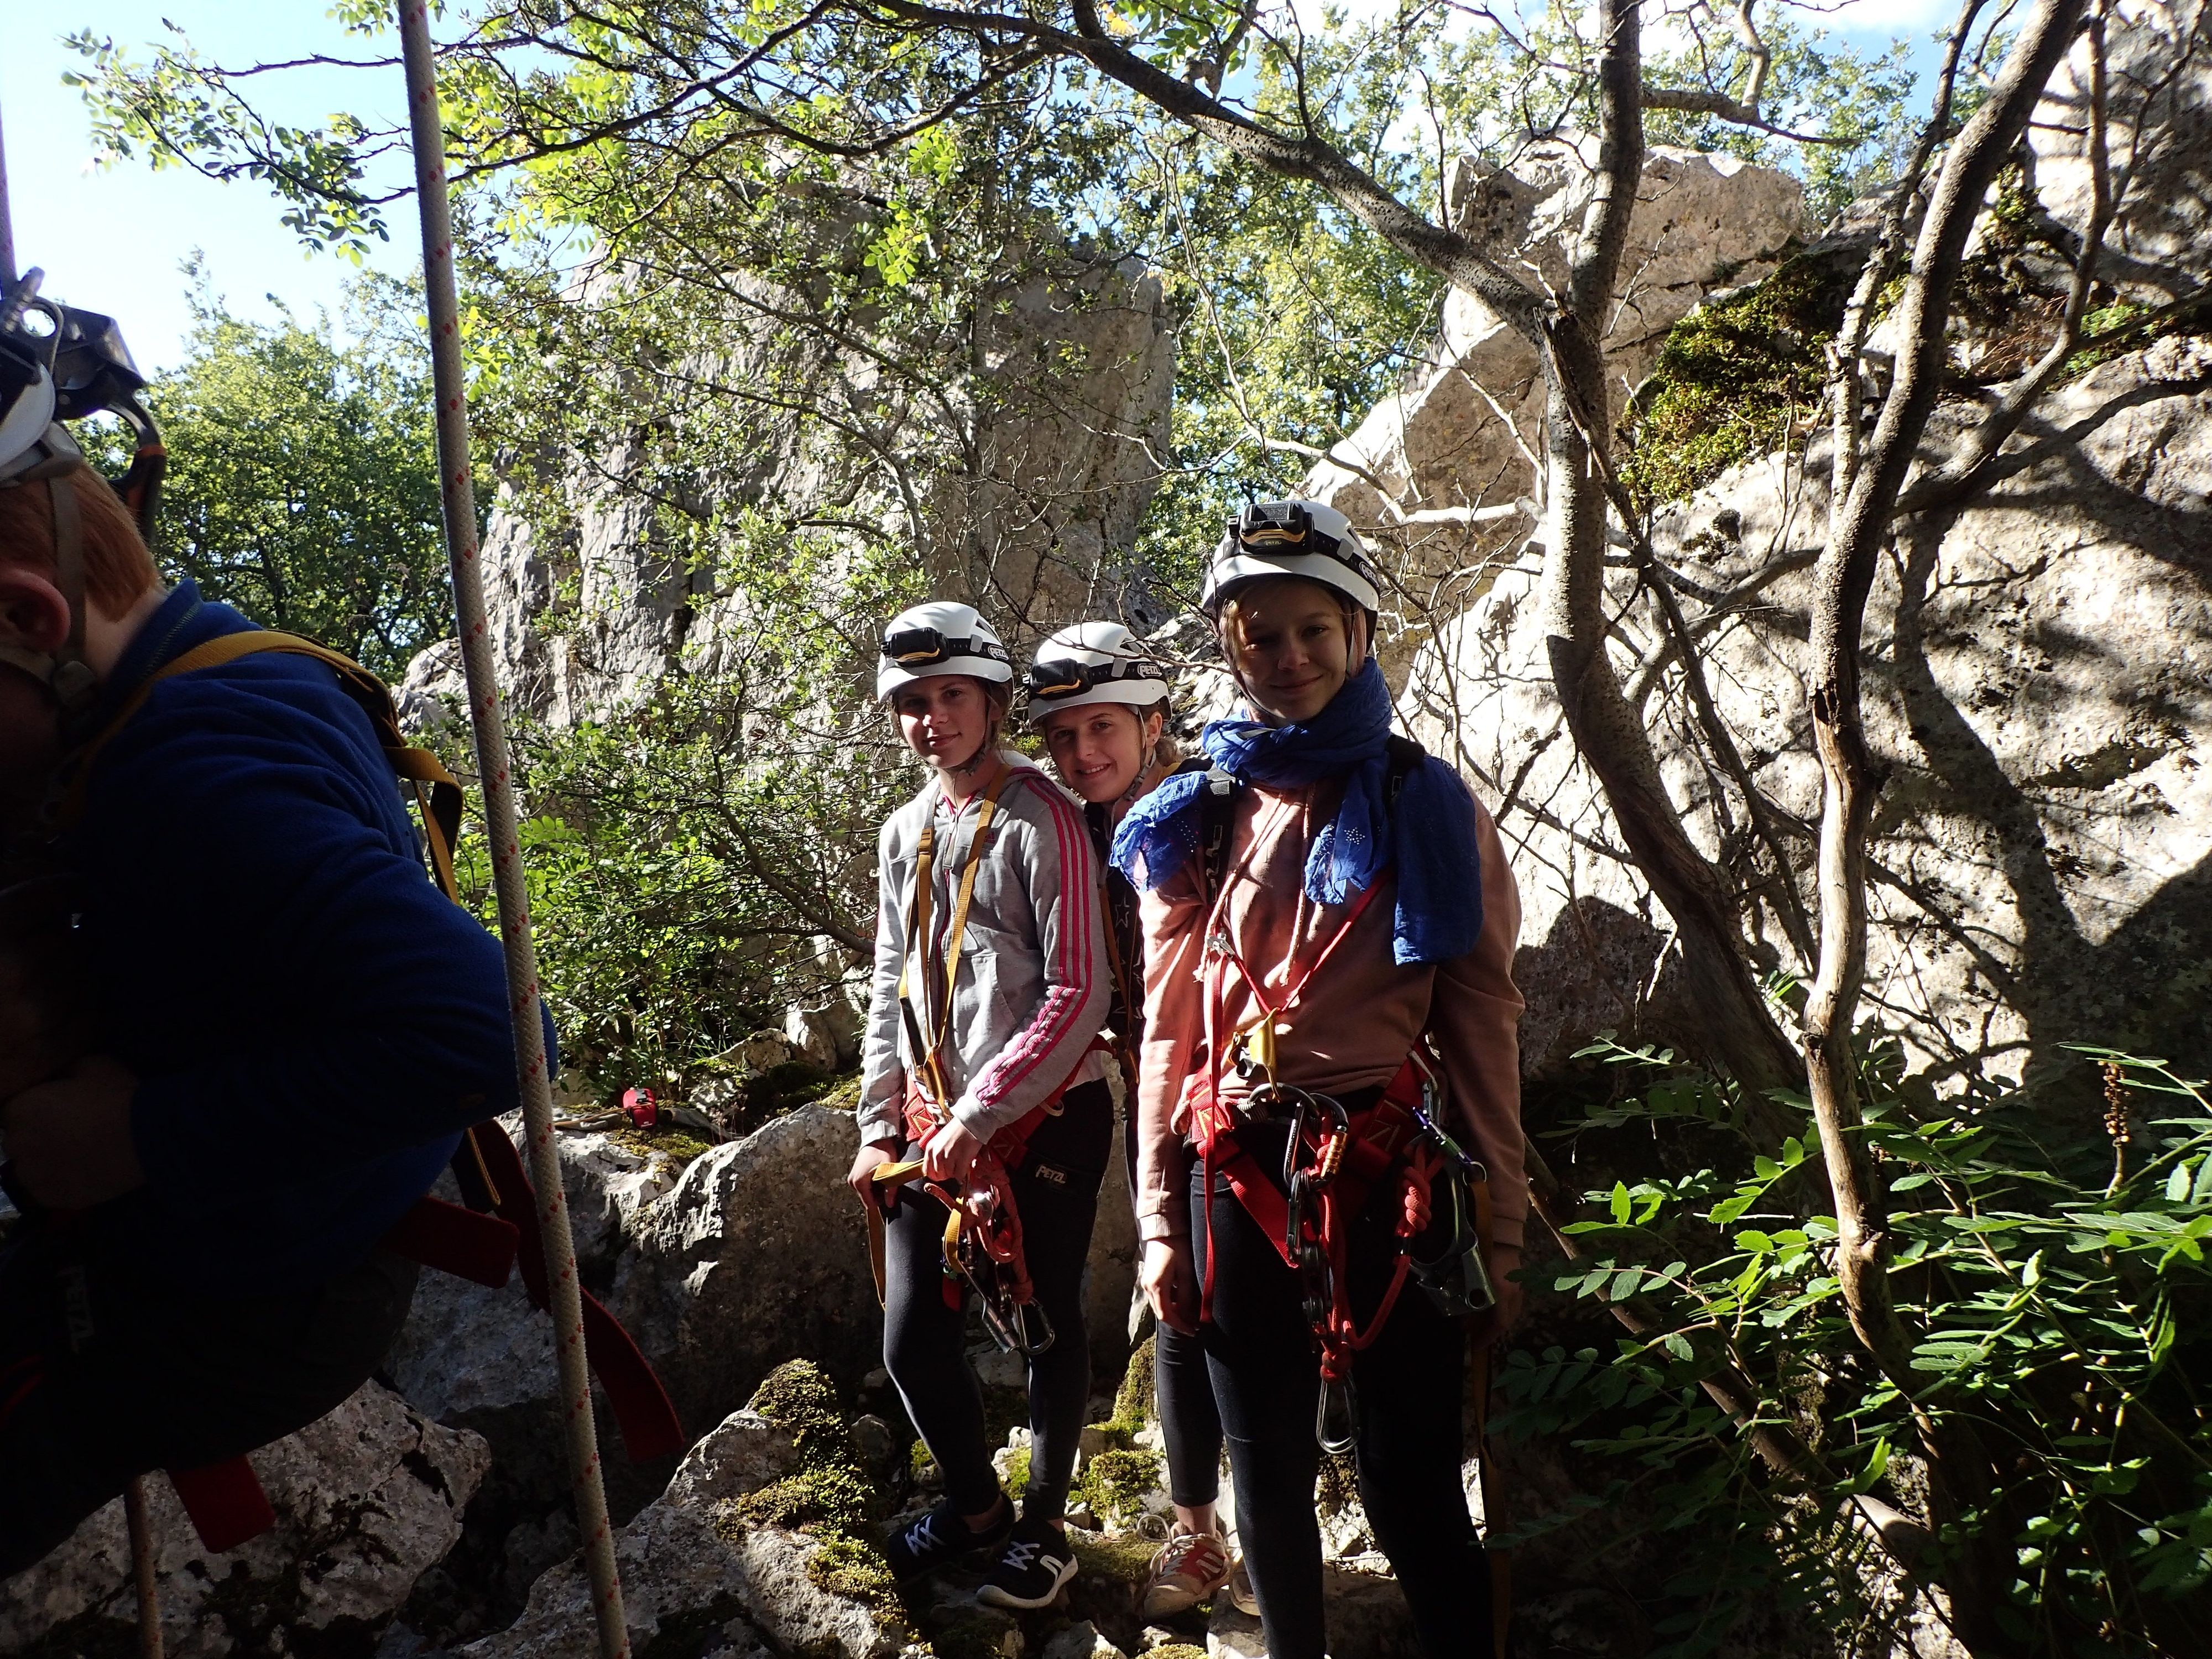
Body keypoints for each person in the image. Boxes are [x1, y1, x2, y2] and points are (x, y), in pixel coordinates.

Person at [0, 316, 526, 1575]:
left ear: (26, 611)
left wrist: (132, 1135)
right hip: (278, 1250)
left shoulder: (187, 769)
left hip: (238, 1304)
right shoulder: (205, 667)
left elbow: (487, 1029)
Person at [1115, 500, 1525, 1659]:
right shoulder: (1191, 820)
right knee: (1267, 1474)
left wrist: (1498, 1226)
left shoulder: (1421, 803)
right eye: (1259, 635)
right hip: (1230, 1163)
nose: (1286, 658)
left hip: (1378, 1165)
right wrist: (1154, 1220)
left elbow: (1479, 1015)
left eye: (1310, 630)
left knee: (1407, 1480)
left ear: (1357, 633)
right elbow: (1168, 1029)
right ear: (1228, 648)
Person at [850, 600, 1113, 1610]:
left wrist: (987, 1112)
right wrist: (880, 1124)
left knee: (1040, 1318)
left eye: (951, 695)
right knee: (911, 1337)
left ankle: (1046, 1527)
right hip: (931, 1124)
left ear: (993, 701)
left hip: (1045, 1113)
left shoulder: (1042, 818)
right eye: (912, 702)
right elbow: (891, 980)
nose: (932, 718)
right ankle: (974, 1510)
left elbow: (1079, 988)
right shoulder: (903, 832)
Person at [1025, 620, 1254, 1620]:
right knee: (1177, 1294)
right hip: (1157, 1090)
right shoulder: (1072, 834)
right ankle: (1198, 1529)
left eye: (1103, 727)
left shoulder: (1218, 805)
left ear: (1154, 720)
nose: (1083, 755)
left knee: (1253, 1300)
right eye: (1064, 737)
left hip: (1253, 1085)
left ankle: (1278, 1510)